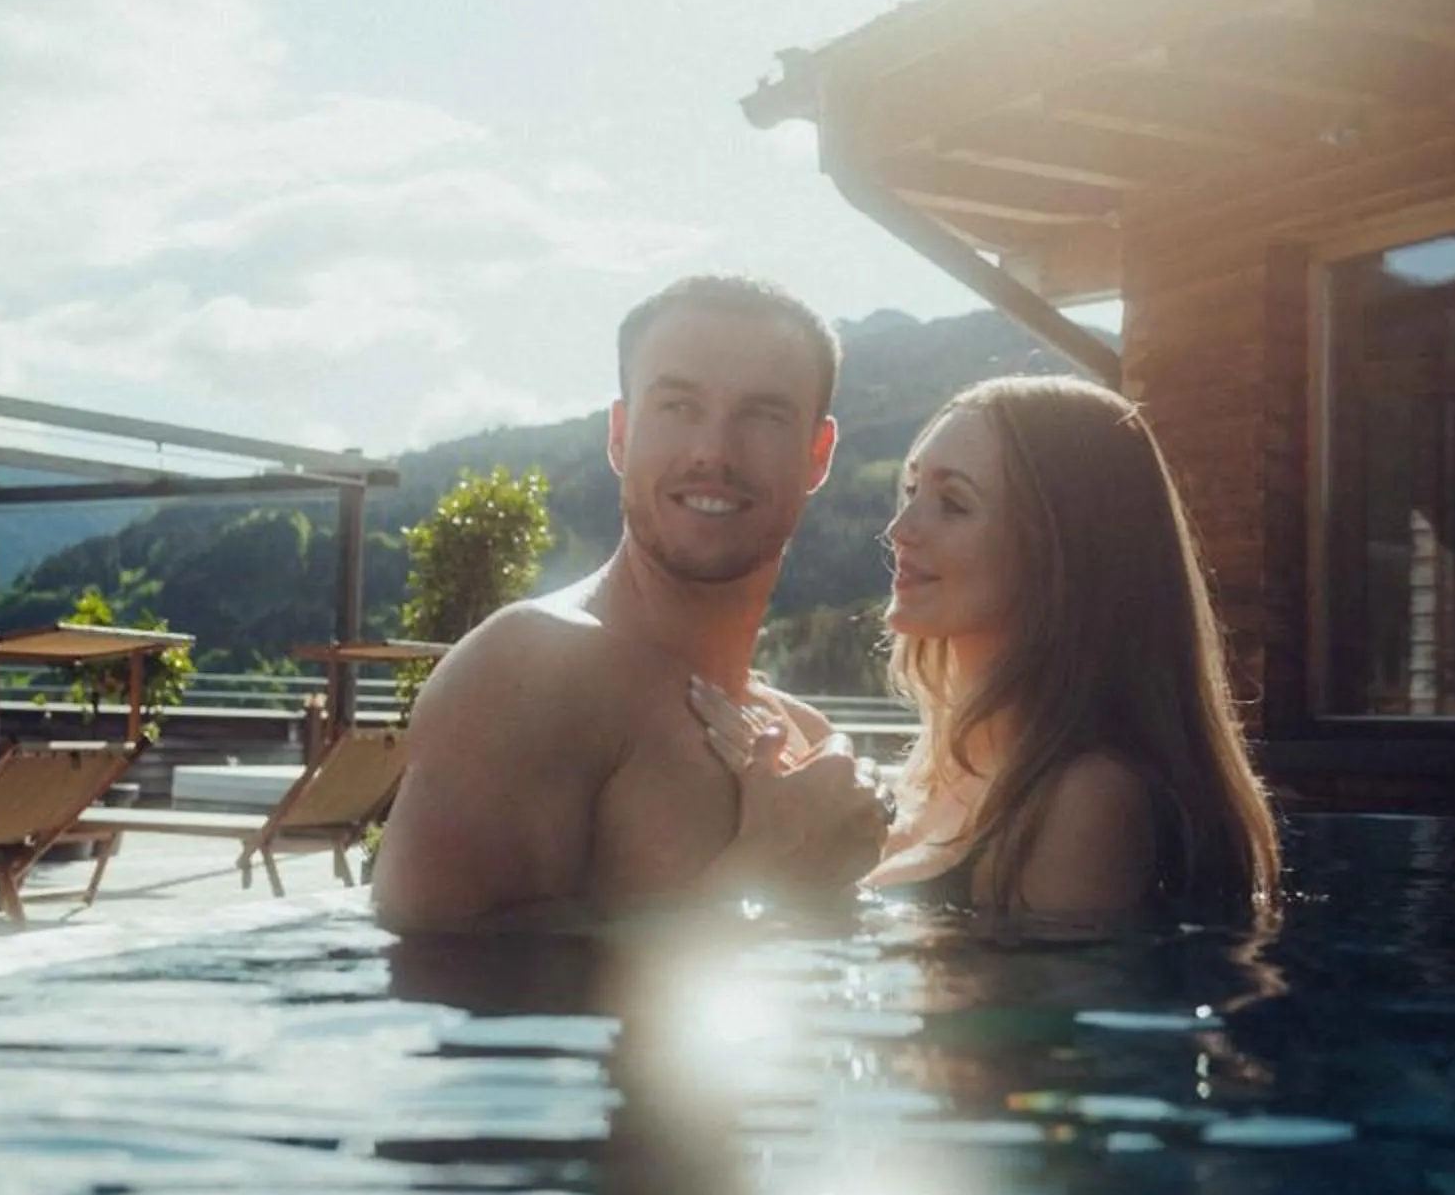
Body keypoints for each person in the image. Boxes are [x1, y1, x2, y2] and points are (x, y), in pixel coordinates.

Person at [372, 274, 894, 932]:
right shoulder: (533, 671)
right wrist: (769, 873)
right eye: (678, 406)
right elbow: (429, 985)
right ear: (619, 435)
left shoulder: (805, 741)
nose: (713, 452)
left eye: (763, 415)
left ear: (818, 455)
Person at [819, 373, 1277, 927]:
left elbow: (1028, 1011)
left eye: (954, 503)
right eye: (912, 491)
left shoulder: (1085, 801)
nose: (900, 529)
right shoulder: (934, 768)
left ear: (1060, 549)